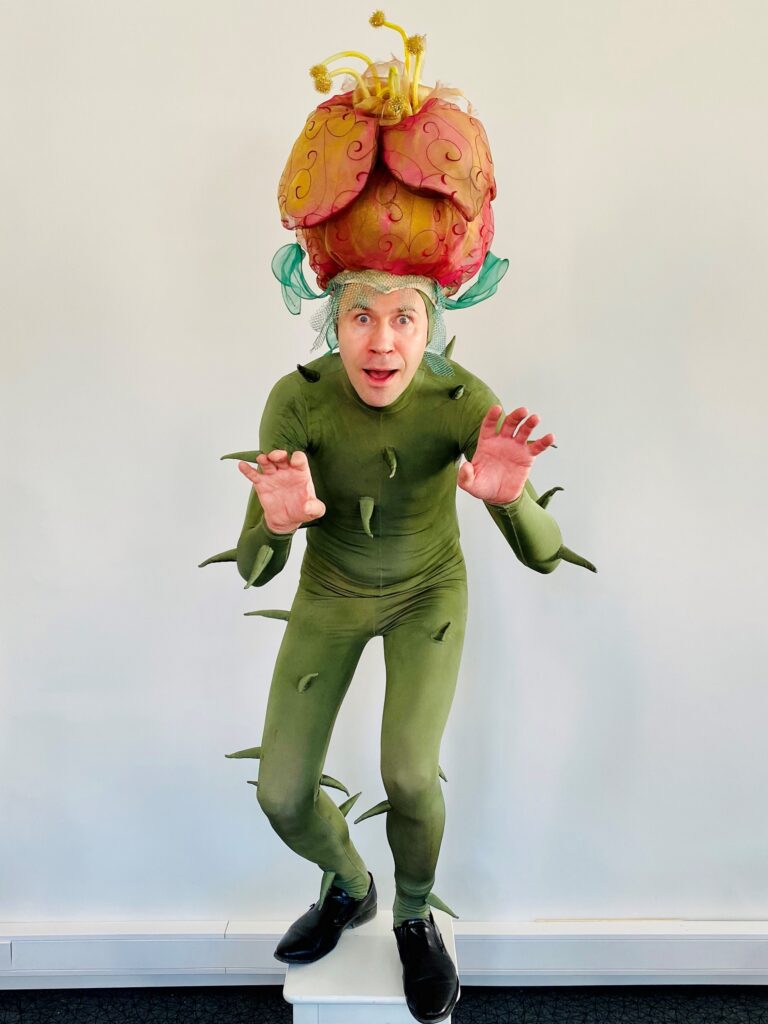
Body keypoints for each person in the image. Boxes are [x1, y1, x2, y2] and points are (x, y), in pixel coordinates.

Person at [202, 16, 595, 1023]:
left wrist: (511, 502)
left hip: (428, 592)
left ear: (435, 320)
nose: (382, 341)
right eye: (361, 314)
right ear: (330, 317)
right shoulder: (295, 403)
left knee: (410, 774)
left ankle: (415, 915)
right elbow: (253, 568)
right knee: (281, 793)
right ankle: (349, 883)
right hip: (331, 588)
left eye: (404, 316)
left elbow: (545, 556)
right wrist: (273, 522)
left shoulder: (464, 401)